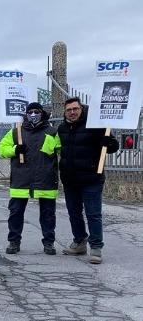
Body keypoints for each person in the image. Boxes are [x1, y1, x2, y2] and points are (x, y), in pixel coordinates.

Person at [56, 97, 119, 264]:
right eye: (69, 110)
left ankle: (96, 247)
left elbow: (112, 147)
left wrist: (110, 142)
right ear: (65, 112)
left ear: (81, 109)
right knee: (74, 214)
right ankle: (79, 242)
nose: (72, 112)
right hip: (70, 180)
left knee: (93, 214)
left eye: (75, 109)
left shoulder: (95, 126)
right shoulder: (61, 128)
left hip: (91, 178)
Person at [0, 102, 59, 255]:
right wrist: (14, 150)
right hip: (21, 181)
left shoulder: (52, 132)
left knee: (48, 215)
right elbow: (1, 149)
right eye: (30, 111)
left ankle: (49, 242)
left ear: (42, 113)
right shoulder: (15, 133)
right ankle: (14, 242)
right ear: (25, 114)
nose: (33, 114)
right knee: (16, 213)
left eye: (36, 111)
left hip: (46, 180)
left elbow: (65, 150)